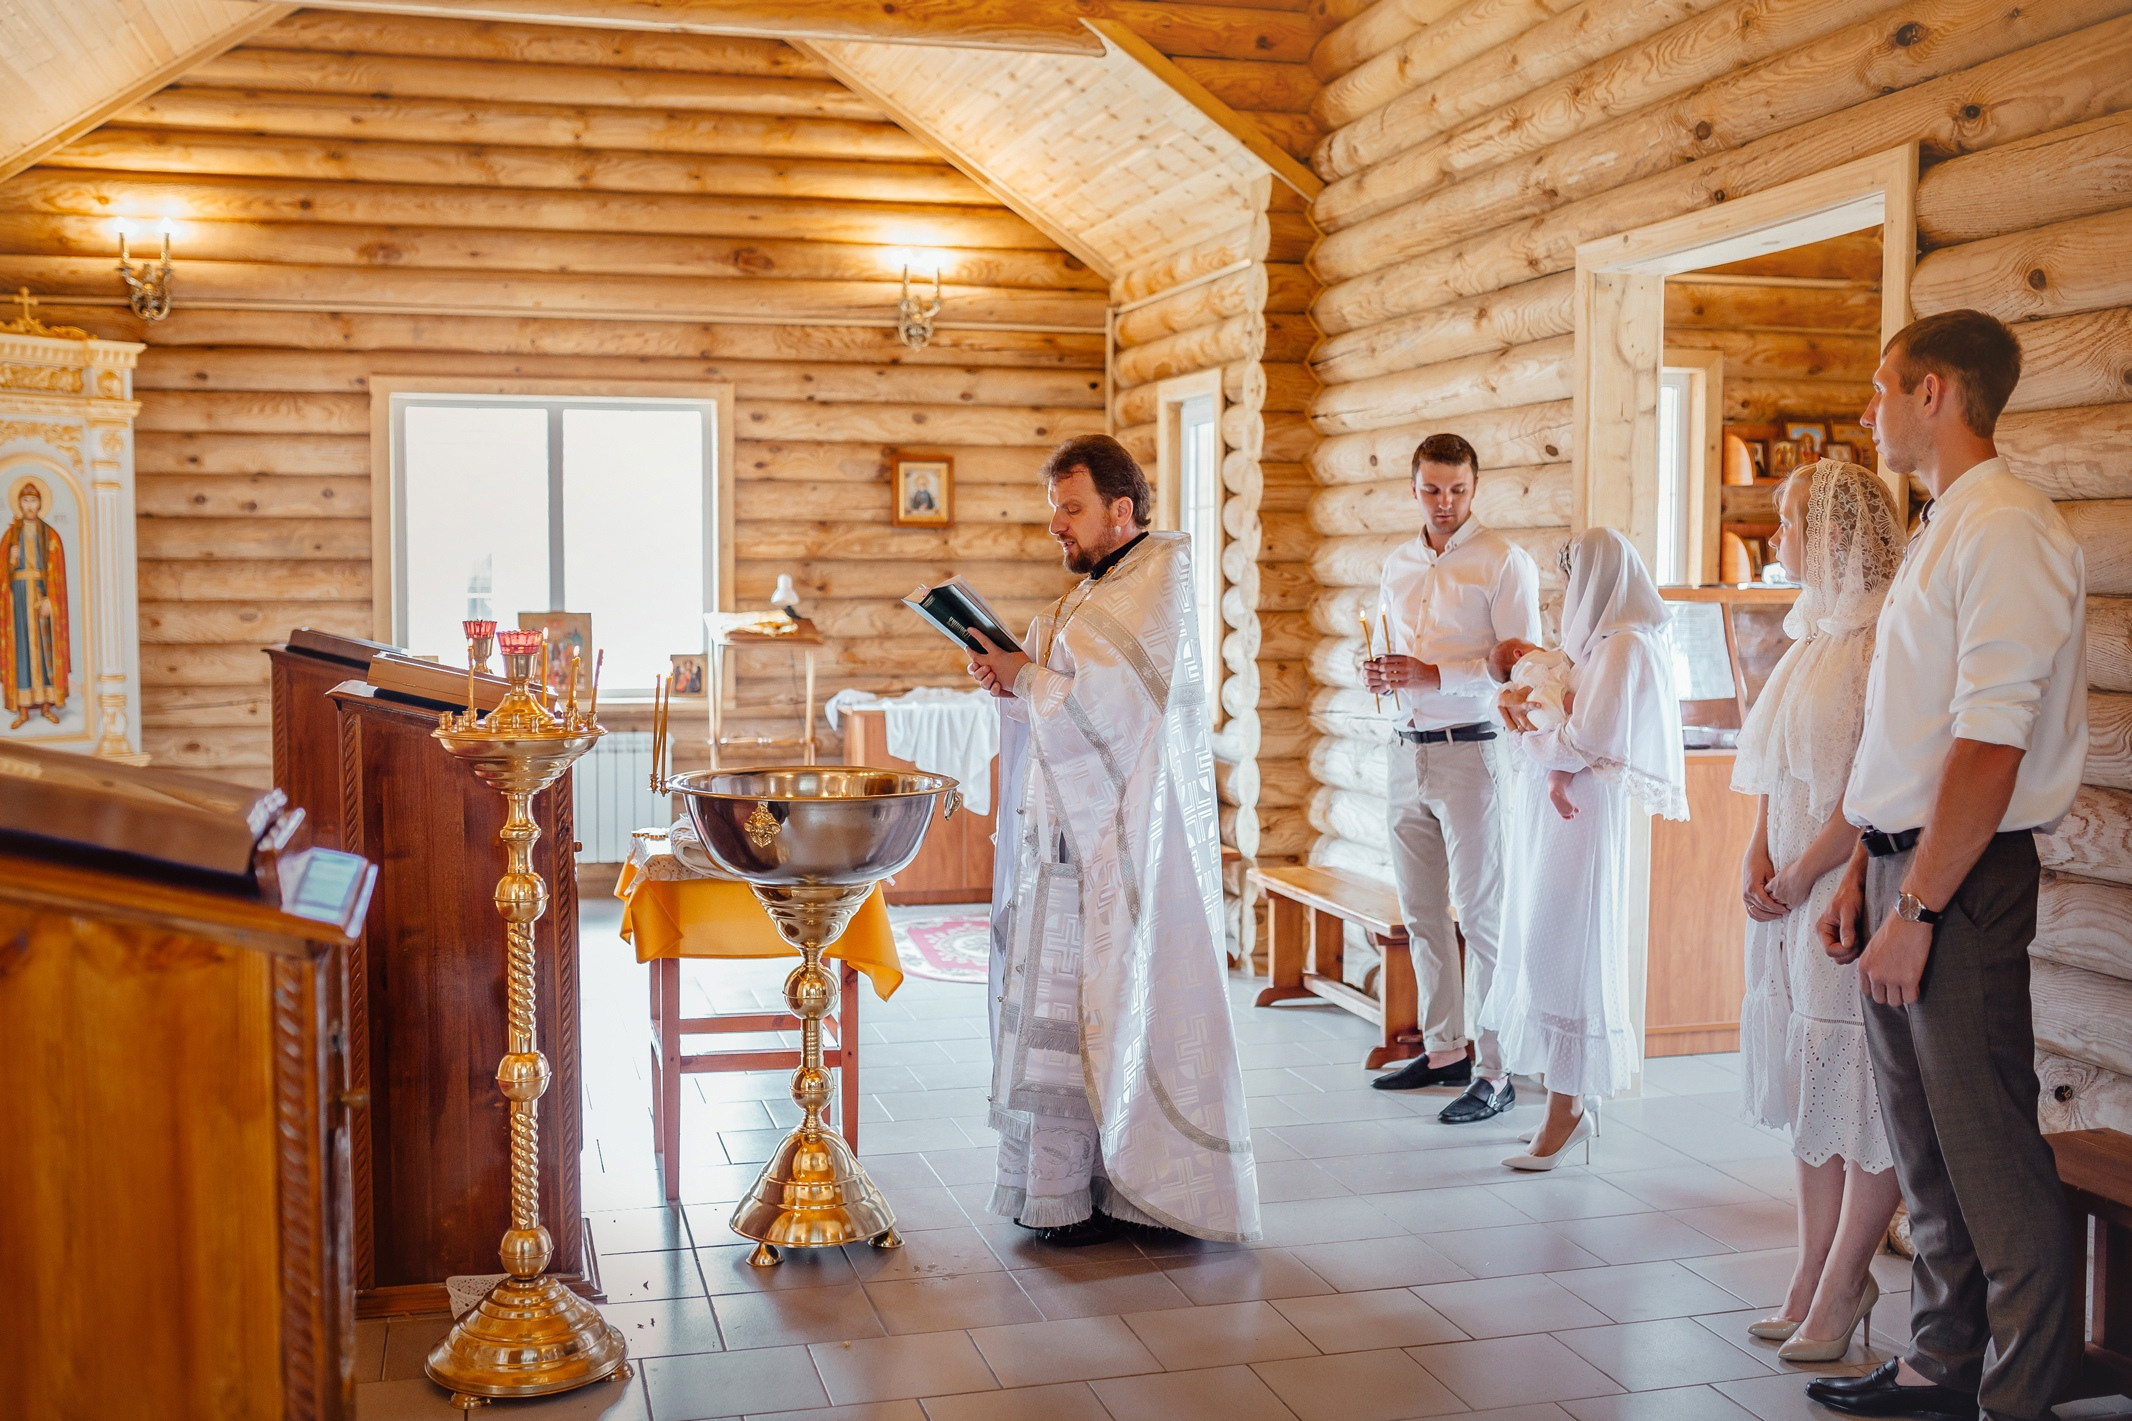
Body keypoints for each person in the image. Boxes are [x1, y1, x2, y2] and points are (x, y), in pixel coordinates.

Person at [1807, 311, 2084, 1421]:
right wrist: (1859, 871)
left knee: (1981, 1143)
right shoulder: (1941, 525)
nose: (1868, 411)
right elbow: (1905, 732)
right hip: (1899, 868)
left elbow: (1987, 741)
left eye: (1880, 389)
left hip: (1956, 879)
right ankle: (1938, 1361)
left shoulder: (2004, 526)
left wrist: (1917, 899)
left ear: (1934, 392)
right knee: (1922, 1147)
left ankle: (2016, 1395)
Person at [964, 434, 1259, 1246]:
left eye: (1070, 507)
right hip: (1073, 842)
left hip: (1128, 850)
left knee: (1116, 1003)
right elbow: (1061, 699)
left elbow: (1108, 709)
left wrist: (1027, 675)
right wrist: (1012, 682)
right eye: (1053, 508)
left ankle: (1140, 1183)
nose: (1057, 525)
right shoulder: (1103, 584)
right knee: (1073, 1010)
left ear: (1119, 510)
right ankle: (1067, 1185)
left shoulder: (1156, 578)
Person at [1733, 460, 1906, 1362]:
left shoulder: (1884, 638)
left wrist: (1805, 872)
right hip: (1793, 884)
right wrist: (1760, 850)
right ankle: (1807, 1274)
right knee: (1812, 1085)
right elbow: (1775, 767)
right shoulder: (1810, 633)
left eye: (1790, 521)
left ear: (1836, 532)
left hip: (1847, 888)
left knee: (1861, 1089)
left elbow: (1872, 786)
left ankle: (1846, 1283)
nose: (1777, 538)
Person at [1484, 528, 1686, 1171]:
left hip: (1585, 820)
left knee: (1566, 952)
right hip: (1561, 816)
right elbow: (1566, 719)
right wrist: (1537, 718)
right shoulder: (1597, 645)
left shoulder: (1626, 647)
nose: (1567, 591)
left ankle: (1566, 1111)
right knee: (1543, 946)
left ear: (1600, 578)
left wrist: (1528, 725)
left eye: (1574, 577)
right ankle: (1566, 1101)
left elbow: (1584, 739)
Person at [1361, 433, 1541, 1124]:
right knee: (1422, 914)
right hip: (1405, 748)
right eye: (1432, 489)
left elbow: (1523, 668)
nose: (1445, 503)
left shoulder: (1503, 562)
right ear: (1413, 488)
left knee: (1482, 917)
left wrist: (1439, 675)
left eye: (1457, 490)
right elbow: (1394, 647)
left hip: (1474, 754)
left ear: (1475, 487)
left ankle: (1496, 1072)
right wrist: (1382, 670)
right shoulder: (1398, 563)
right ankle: (1445, 1052)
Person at [2, 480, 69, 730]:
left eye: (33, 501)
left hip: (41, 597)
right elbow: (3, 574)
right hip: (18, 600)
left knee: (44, 651)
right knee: (21, 651)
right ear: (19, 504)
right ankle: (22, 710)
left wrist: (50, 600)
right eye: (25, 501)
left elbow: (56, 573)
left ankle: (46, 706)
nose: (29, 505)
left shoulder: (50, 535)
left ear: (40, 504)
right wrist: (10, 561)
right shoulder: (10, 536)